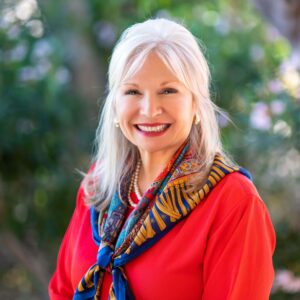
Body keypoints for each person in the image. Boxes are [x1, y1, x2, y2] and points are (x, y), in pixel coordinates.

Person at [48, 18, 276, 300]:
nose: (150, 109)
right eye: (132, 91)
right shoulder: (99, 183)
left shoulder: (233, 202)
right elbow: (61, 291)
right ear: (115, 105)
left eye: (168, 91)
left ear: (195, 105)